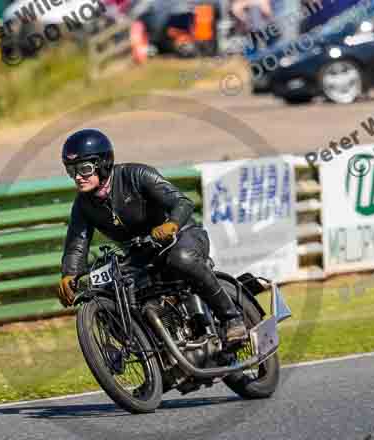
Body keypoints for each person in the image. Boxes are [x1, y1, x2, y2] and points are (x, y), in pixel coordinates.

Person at [56, 129, 248, 345]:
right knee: (106, 291)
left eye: (84, 169)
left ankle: (232, 319)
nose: (77, 177)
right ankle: (152, 347)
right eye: (71, 170)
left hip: (180, 236)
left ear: (103, 164)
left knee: (181, 258)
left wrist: (171, 224)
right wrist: (69, 274)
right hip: (140, 253)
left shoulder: (136, 175)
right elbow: (77, 242)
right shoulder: (83, 205)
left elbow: (182, 202)